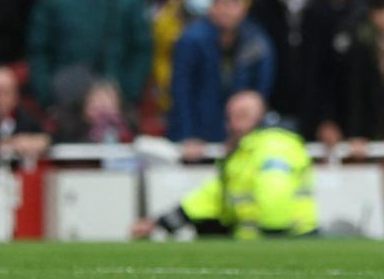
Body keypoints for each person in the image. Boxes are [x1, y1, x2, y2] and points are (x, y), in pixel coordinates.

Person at [130, 90, 317, 240]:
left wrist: (273, 241)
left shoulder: (273, 146)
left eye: (241, 116)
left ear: (259, 118)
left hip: (290, 239)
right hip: (262, 240)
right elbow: (211, 196)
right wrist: (162, 222)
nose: (233, 125)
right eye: (231, 117)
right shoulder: (244, 153)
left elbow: (275, 192)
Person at [24, 0, 153, 110]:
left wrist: (129, 91)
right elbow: (38, 50)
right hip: (66, 100)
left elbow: (142, 49)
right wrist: (46, 93)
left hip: (117, 100)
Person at [169, 0, 276, 143]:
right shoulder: (191, 40)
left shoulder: (256, 40)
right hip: (200, 132)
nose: (226, 10)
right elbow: (181, 91)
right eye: (219, 3)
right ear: (210, 8)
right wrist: (187, 135)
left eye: (232, 3)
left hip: (245, 132)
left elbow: (261, 90)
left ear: (243, 8)